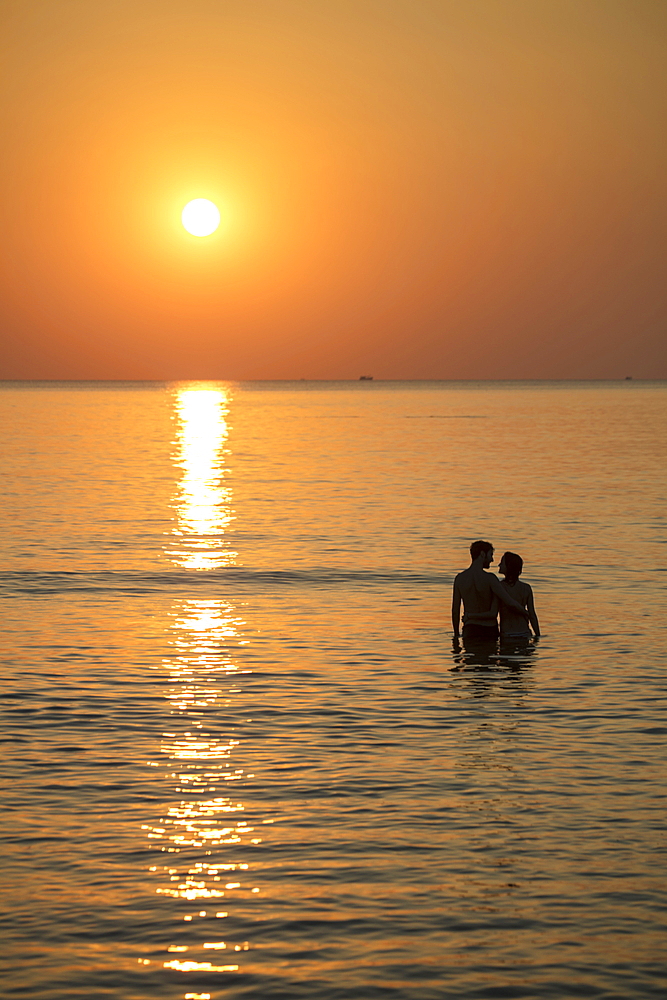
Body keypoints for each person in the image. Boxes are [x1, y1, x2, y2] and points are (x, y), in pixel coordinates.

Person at [452, 540, 530, 640]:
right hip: (489, 629)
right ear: (482, 554)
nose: (492, 560)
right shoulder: (490, 579)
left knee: (471, 655)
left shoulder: (460, 579)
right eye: (490, 555)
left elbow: (455, 611)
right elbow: (510, 602)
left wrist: (456, 635)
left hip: (470, 629)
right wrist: (525, 613)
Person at [497, 551, 540, 638]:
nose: (499, 565)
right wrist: (538, 635)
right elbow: (532, 615)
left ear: (509, 566)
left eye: (502, 563)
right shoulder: (526, 588)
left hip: (507, 633)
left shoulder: (499, 587)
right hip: (525, 632)